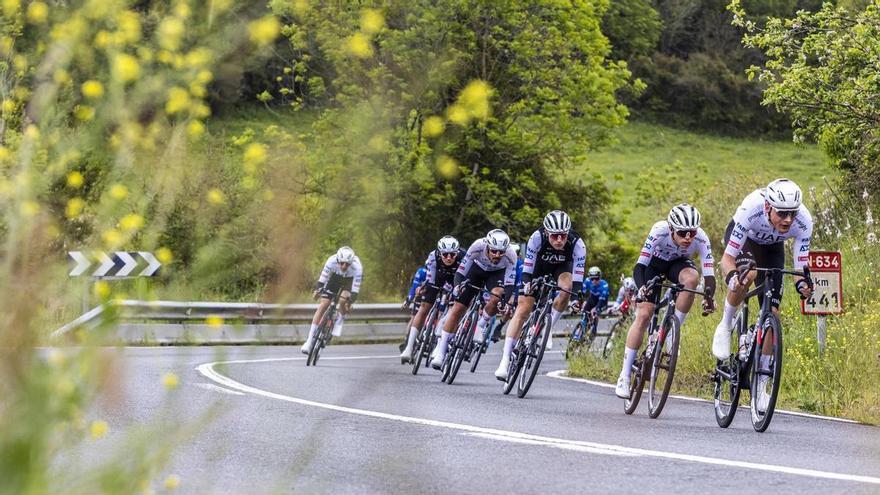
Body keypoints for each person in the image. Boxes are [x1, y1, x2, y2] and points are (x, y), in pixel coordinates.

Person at [711, 179, 813, 409]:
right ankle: (726, 325)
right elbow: (727, 259)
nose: (788, 220)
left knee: (773, 315)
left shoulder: (804, 222)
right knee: (747, 275)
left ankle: (762, 385)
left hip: (772, 248)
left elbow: (800, 267)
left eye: (792, 214)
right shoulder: (751, 209)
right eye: (782, 213)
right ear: (768, 207)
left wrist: (803, 285)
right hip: (745, 241)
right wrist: (732, 278)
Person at [615, 204, 716, 398]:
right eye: (683, 232)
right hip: (653, 265)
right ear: (671, 229)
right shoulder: (659, 231)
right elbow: (640, 266)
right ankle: (625, 375)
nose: (688, 238)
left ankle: (671, 332)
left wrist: (709, 297)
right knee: (644, 314)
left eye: (692, 233)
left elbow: (709, 273)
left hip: (677, 265)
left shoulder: (701, 237)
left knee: (692, 280)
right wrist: (643, 287)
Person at [494, 210, 586, 380]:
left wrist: (575, 299)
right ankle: (505, 361)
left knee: (567, 286)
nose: (559, 240)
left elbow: (578, 278)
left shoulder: (577, 243)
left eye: (563, 236)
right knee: (523, 309)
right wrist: (527, 285)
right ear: (546, 232)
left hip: (561, 267)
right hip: (537, 268)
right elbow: (528, 269)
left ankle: (548, 327)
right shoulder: (537, 238)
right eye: (555, 236)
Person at [430, 229, 517, 369]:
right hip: (476, 270)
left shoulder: (511, 254)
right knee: (458, 307)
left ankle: (480, 325)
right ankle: (441, 351)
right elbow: (461, 271)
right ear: (487, 246)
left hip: (495, 274)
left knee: (497, 295)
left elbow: (509, 283)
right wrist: (458, 286)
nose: (497, 255)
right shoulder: (477, 246)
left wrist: (504, 301)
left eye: (501, 252)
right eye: (494, 251)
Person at [399, 236, 465, 363]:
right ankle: (409, 347)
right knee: (424, 307)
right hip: (439, 276)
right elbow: (430, 280)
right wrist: (424, 288)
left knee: (453, 307)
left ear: (457, 252)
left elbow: (465, 277)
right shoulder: (433, 257)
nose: (449, 258)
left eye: (452, 254)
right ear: (440, 253)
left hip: (456, 278)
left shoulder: (464, 257)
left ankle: (440, 343)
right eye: (445, 254)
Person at [302, 246, 363, 353]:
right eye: (341, 263)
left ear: (351, 262)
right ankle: (309, 341)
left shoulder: (357, 267)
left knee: (343, 300)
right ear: (337, 260)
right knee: (323, 305)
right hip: (336, 277)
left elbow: (355, 291)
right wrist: (317, 291)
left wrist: (349, 302)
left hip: (349, 280)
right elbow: (322, 279)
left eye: (347, 264)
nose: (344, 266)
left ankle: (339, 320)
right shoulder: (331, 261)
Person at [574, 266, 610, 340]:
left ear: (600, 277)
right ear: (589, 278)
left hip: (602, 302)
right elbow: (582, 294)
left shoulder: (604, 285)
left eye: (596, 278)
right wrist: (579, 303)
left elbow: (601, 300)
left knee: (595, 314)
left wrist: (596, 309)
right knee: (585, 312)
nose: (594, 281)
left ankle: (593, 332)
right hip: (592, 299)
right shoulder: (587, 281)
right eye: (592, 279)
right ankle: (580, 329)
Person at [399, 265, 428, 352]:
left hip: (430, 295)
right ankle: (407, 340)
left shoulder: (423, 271)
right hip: (422, 295)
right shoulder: (422, 271)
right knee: (414, 317)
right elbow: (415, 286)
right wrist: (409, 299)